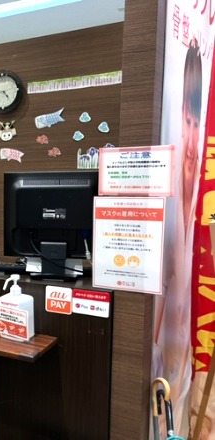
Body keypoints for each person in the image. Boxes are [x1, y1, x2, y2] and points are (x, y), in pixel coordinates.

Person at [154, 37, 202, 438]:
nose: (191, 140)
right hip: (159, 378)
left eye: (196, 123)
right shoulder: (166, 209)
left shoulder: (199, 205)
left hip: (181, 374)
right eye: (186, 121)